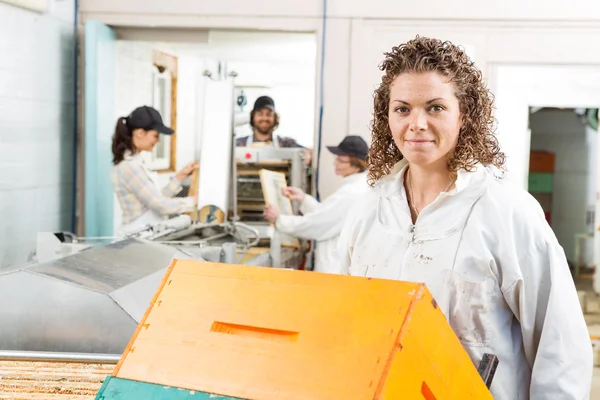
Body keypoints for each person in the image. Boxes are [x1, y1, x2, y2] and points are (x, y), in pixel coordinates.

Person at [337, 36, 592, 399]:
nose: (417, 124)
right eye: (403, 108)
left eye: (436, 107)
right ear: (386, 116)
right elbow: (350, 325)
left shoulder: (507, 212)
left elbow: (561, 348)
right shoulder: (367, 211)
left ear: (464, 115)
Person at [264, 136, 370, 274]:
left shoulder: (351, 193)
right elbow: (329, 216)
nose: (335, 163)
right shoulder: (359, 186)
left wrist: (279, 219)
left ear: (356, 164)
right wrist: (303, 199)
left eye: (340, 160)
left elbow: (317, 225)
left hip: (335, 270)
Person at [111, 105, 198, 235]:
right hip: (137, 237)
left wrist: (180, 177)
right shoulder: (129, 167)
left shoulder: (136, 162)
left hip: (146, 233)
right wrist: (194, 201)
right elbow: (160, 206)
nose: (158, 140)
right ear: (140, 133)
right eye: (155, 135)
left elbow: (156, 199)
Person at [236, 96, 304, 148]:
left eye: (269, 114)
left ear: (275, 117)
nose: (265, 118)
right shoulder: (239, 144)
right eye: (260, 114)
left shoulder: (286, 144)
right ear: (253, 117)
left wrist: (309, 153)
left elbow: (307, 153)